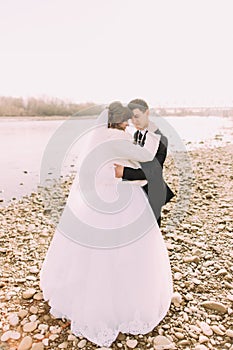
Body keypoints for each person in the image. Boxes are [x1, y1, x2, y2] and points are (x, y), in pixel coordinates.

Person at [40, 102, 173, 347]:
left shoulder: (96, 135)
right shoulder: (120, 137)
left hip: (97, 201)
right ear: (123, 121)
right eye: (129, 119)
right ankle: (129, 300)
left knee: (92, 253)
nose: (131, 123)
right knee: (130, 251)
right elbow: (147, 158)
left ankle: (81, 296)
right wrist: (147, 142)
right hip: (124, 199)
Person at [114, 99, 175, 226]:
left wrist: (124, 172)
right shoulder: (135, 135)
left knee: (151, 232)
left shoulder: (161, 139)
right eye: (131, 118)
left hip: (152, 192)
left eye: (137, 116)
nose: (134, 121)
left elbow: (154, 171)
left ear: (147, 112)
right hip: (135, 191)